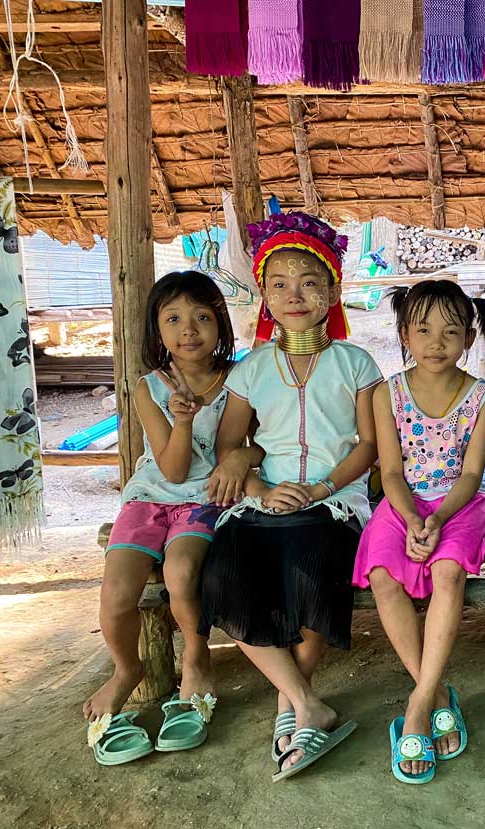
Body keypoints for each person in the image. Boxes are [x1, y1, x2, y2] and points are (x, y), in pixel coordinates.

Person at [198, 212, 383, 782]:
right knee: (222, 574)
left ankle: (290, 705)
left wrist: (322, 488)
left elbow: (369, 445)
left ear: (331, 290)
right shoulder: (253, 369)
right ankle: (307, 703)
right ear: (263, 295)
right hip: (266, 503)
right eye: (278, 284)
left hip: (334, 503)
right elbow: (232, 444)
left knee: (311, 572)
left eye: (308, 281)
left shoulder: (356, 363)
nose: (294, 294)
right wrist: (258, 487)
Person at [84, 270, 252, 765]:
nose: (189, 329)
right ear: (157, 331)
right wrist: (182, 419)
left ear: (221, 322)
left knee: (181, 573)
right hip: (150, 496)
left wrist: (245, 456)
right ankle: (125, 669)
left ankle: (196, 660)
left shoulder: (239, 380)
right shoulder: (147, 387)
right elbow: (173, 467)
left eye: (202, 316)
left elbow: (264, 441)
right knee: (117, 591)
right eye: (173, 318)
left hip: (206, 498)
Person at [352, 280, 485, 784]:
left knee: (450, 572)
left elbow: (473, 475)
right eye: (423, 330)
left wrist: (437, 519)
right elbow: (391, 472)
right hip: (402, 504)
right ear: (404, 334)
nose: (436, 342)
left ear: (468, 337)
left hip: (459, 504)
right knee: (382, 576)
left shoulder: (482, 396)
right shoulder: (385, 394)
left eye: (450, 331)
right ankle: (435, 692)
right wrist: (414, 517)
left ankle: (417, 705)